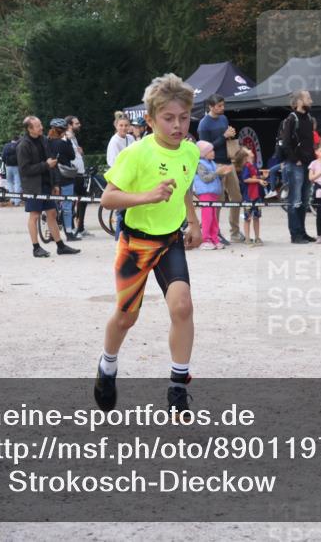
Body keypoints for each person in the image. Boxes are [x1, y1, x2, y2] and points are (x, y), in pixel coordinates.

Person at [94, 73, 202, 415]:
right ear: (151, 119)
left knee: (182, 306)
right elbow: (107, 199)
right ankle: (107, 366)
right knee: (127, 317)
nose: (177, 126)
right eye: (168, 119)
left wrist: (194, 222)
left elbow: (185, 188)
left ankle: (177, 385)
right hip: (135, 243)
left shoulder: (190, 150)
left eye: (183, 118)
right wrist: (147, 196)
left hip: (170, 241)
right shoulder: (136, 154)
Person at [17, 116, 81, 258]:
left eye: (40, 124)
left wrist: (56, 183)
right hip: (33, 187)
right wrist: (45, 165)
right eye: (38, 126)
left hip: (46, 184)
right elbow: (24, 170)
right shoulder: (23, 145)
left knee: (52, 213)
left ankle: (60, 246)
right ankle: (36, 248)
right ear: (29, 129)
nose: (41, 127)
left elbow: (52, 162)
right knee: (34, 216)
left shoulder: (44, 140)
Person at [197, 95, 244, 243]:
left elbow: (226, 138)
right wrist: (224, 136)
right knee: (218, 200)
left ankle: (235, 232)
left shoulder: (224, 119)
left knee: (237, 197)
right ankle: (215, 232)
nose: (222, 108)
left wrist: (230, 135)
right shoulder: (203, 125)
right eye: (219, 106)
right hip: (214, 164)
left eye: (223, 105)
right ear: (211, 107)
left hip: (228, 162)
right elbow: (205, 149)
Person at [279, 90, 317, 244]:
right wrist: (296, 160)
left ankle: (302, 231)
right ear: (300, 101)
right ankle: (295, 234)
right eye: (308, 98)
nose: (311, 100)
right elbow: (285, 142)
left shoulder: (308, 118)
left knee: (304, 199)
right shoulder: (291, 119)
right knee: (295, 199)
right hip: (296, 165)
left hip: (307, 164)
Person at [46, 118, 79, 241]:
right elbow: (72, 155)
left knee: (51, 206)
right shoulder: (62, 143)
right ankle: (69, 233)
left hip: (51, 177)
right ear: (63, 131)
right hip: (65, 177)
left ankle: (51, 232)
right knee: (67, 206)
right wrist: (69, 141)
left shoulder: (47, 142)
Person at [193, 140, 226, 250]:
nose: (213, 152)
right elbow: (206, 178)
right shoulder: (200, 164)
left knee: (214, 218)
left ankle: (214, 238)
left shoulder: (212, 163)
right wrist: (217, 172)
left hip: (213, 194)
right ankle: (205, 239)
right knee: (207, 217)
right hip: (205, 194)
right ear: (203, 153)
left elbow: (215, 177)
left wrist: (222, 174)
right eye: (210, 151)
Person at [65, 115, 91, 237]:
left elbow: (77, 154)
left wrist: (80, 152)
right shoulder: (66, 137)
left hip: (79, 173)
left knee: (83, 199)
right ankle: (72, 229)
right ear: (70, 125)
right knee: (71, 201)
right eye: (77, 123)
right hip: (72, 174)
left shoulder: (73, 137)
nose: (79, 125)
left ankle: (80, 227)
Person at [236, 147, 267, 246]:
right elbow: (245, 179)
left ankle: (257, 237)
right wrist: (259, 181)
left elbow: (255, 178)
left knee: (256, 217)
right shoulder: (246, 166)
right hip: (248, 196)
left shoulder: (254, 166)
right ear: (246, 157)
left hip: (257, 195)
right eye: (248, 151)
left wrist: (262, 178)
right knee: (247, 218)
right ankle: (248, 238)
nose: (251, 151)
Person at [2, 134, 21, 206]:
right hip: (17, 167)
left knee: (9, 182)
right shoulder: (19, 146)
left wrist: (6, 163)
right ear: (18, 140)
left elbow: (3, 156)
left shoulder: (6, 146)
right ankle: (17, 201)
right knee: (17, 183)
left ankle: (12, 199)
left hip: (8, 167)